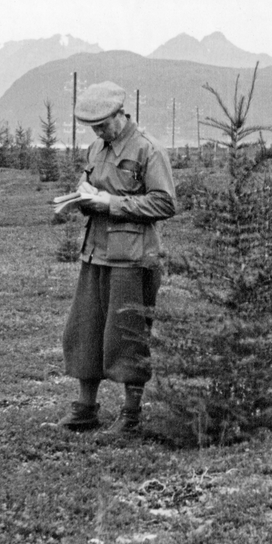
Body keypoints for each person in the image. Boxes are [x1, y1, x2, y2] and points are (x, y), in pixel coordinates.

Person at [57, 81, 176, 434]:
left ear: (121, 115)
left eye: (103, 125)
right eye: (93, 127)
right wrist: (80, 198)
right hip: (95, 253)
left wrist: (111, 203)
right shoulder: (97, 147)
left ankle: (130, 414)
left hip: (132, 258)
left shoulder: (148, 150)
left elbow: (165, 202)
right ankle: (85, 407)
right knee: (84, 330)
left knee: (128, 335)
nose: (98, 132)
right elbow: (88, 183)